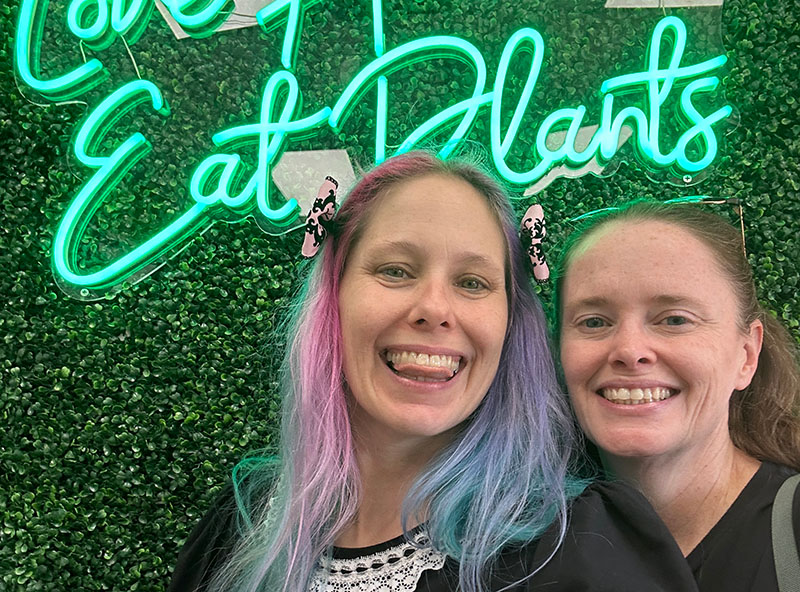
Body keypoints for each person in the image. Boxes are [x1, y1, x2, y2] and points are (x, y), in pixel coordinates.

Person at [168, 153, 699, 592]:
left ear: (510, 323)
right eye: (395, 270)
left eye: (472, 282)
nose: (435, 308)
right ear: (334, 298)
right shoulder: (243, 521)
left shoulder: (579, 546)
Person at [557, 200, 800, 592]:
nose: (629, 349)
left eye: (674, 319)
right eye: (594, 322)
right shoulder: (517, 548)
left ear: (746, 355)